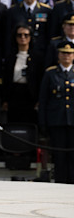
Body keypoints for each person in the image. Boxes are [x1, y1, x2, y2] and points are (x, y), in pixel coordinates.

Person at [38, 41, 74, 184]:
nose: (66, 56)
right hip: (56, 120)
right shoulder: (51, 73)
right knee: (59, 156)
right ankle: (60, 183)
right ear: (58, 55)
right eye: (63, 53)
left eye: (69, 53)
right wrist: (43, 122)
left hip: (72, 121)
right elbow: (43, 99)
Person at [2, 24, 43, 125]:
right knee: (14, 124)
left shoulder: (37, 57)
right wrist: (4, 100)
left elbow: (40, 79)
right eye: (19, 35)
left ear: (31, 37)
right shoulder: (10, 57)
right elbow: (6, 79)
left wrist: (39, 100)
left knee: (30, 125)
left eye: (26, 35)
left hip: (30, 95)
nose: (22, 37)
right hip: (14, 94)